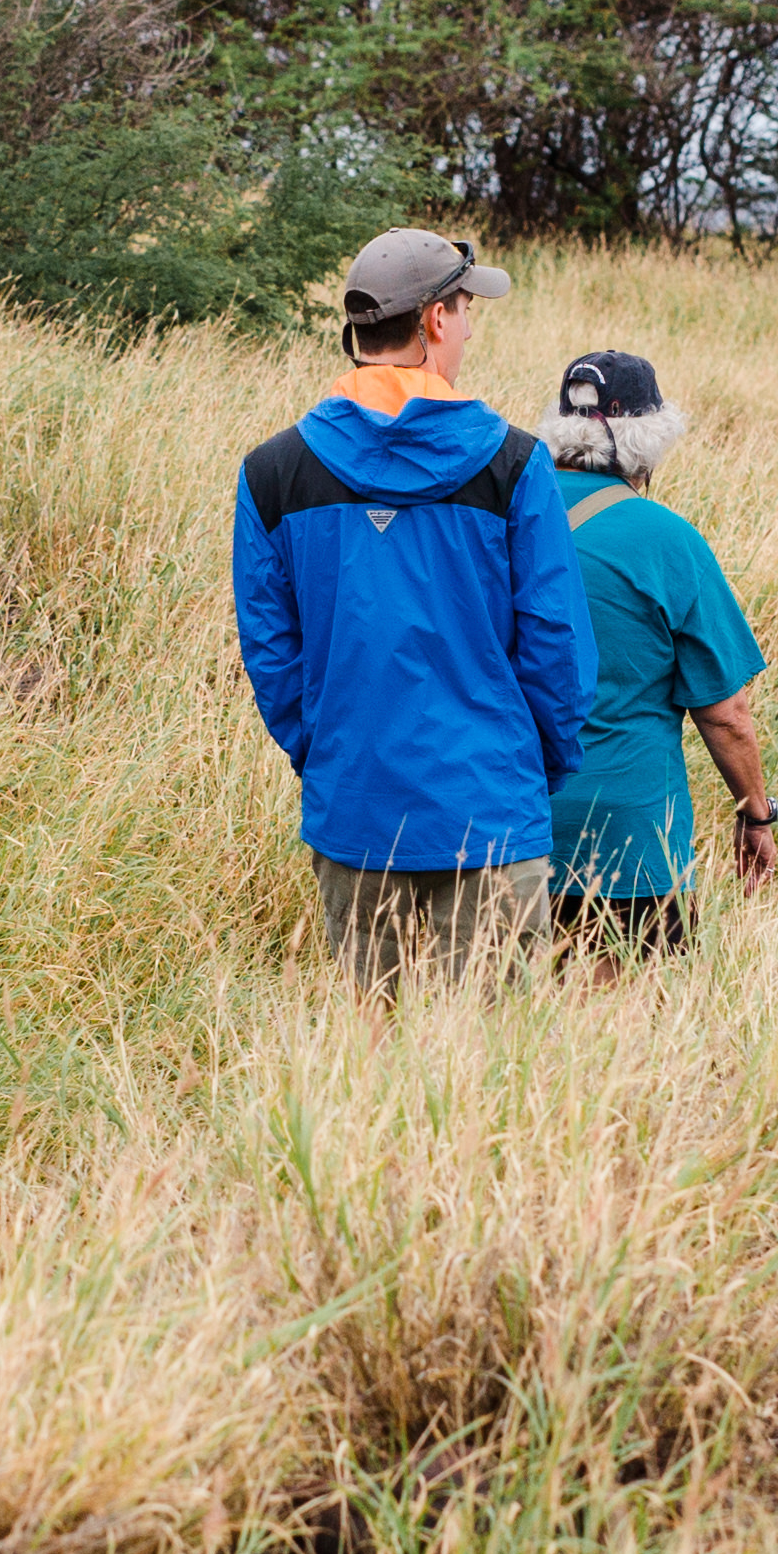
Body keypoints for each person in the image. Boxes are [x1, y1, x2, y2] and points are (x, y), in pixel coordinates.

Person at [229, 227, 595, 991]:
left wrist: (326, 756)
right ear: (433, 321)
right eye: (464, 312)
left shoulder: (272, 472)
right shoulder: (516, 464)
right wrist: (532, 769)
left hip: (353, 807)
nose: (466, 330)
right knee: (495, 1067)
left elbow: (272, 655)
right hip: (489, 808)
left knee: (370, 1052)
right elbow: (556, 645)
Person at [537, 350, 776, 952]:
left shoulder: (501, 523)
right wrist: (755, 814)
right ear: (650, 438)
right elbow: (726, 715)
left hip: (503, 825)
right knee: (627, 1026)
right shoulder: (667, 540)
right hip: (629, 832)